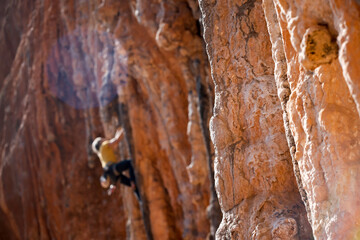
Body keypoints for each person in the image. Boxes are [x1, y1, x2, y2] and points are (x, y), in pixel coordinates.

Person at [92, 128, 139, 197]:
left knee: (134, 186)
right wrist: (123, 129)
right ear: (100, 142)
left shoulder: (101, 154)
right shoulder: (104, 145)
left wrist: (118, 133)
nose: (104, 139)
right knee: (130, 163)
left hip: (113, 176)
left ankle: (138, 195)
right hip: (113, 168)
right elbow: (116, 141)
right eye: (102, 139)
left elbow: (115, 139)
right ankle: (132, 181)